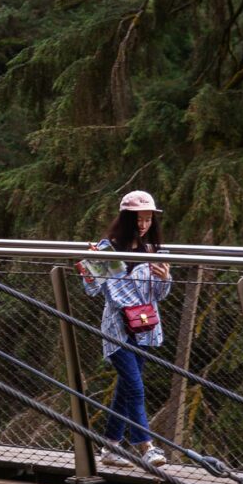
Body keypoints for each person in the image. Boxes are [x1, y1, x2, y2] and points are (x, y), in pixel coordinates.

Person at [79, 190, 171, 467]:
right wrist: (89, 266)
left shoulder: (155, 250)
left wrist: (165, 277)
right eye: (139, 219)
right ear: (126, 219)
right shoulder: (107, 249)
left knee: (126, 387)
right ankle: (146, 446)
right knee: (135, 386)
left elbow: (160, 294)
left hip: (145, 326)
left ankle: (110, 447)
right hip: (117, 326)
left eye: (148, 219)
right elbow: (92, 290)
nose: (143, 225)